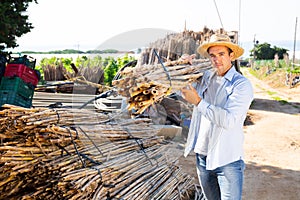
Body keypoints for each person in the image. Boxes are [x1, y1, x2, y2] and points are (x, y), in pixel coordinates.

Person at [181, 34, 253, 200]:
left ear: (231, 55)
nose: (216, 60)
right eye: (213, 55)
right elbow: (182, 88)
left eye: (221, 54)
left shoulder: (241, 84)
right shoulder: (207, 77)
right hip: (202, 157)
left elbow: (228, 120)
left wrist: (199, 102)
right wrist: (183, 66)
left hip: (227, 159)